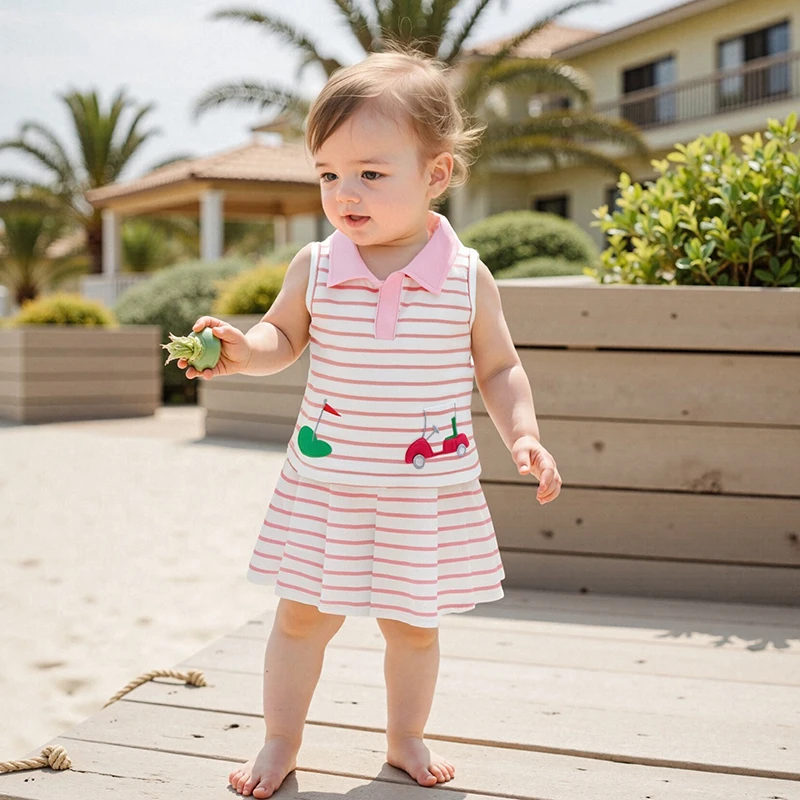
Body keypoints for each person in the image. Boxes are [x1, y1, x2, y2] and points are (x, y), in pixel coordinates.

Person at [178, 48, 562, 799]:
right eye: (328, 174)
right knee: (300, 620)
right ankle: (281, 740)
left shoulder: (466, 277)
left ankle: (405, 736)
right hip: (329, 484)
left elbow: (499, 368)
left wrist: (523, 432)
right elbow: (282, 338)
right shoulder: (317, 266)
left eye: (371, 174)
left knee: (413, 628)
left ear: (436, 174)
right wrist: (244, 350)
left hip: (420, 493)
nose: (344, 193)